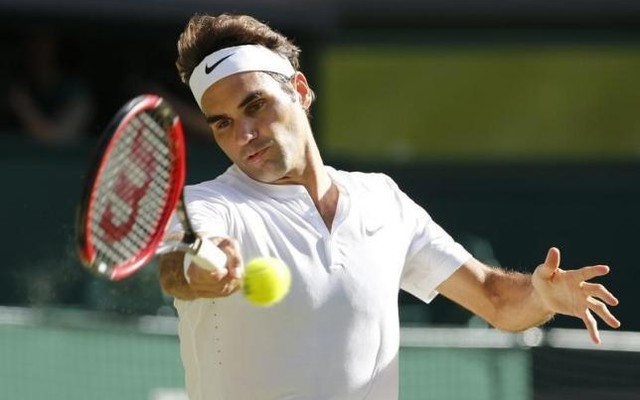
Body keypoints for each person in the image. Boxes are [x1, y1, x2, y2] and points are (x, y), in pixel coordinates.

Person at [158, 13, 621, 400]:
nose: (243, 135)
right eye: (223, 123)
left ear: (299, 90)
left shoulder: (381, 200)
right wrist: (199, 270)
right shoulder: (208, 204)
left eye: (255, 105)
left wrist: (541, 296)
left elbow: (496, 300)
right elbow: (179, 264)